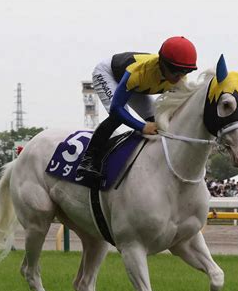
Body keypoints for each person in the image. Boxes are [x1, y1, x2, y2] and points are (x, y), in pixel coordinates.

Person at [76, 36, 198, 183]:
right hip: (110, 74)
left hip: (138, 86)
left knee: (158, 122)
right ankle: (88, 160)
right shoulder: (138, 72)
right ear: (162, 64)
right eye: (175, 71)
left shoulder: (179, 81)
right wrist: (142, 126)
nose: (179, 77)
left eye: (185, 72)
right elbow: (116, 108)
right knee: (119, 116)